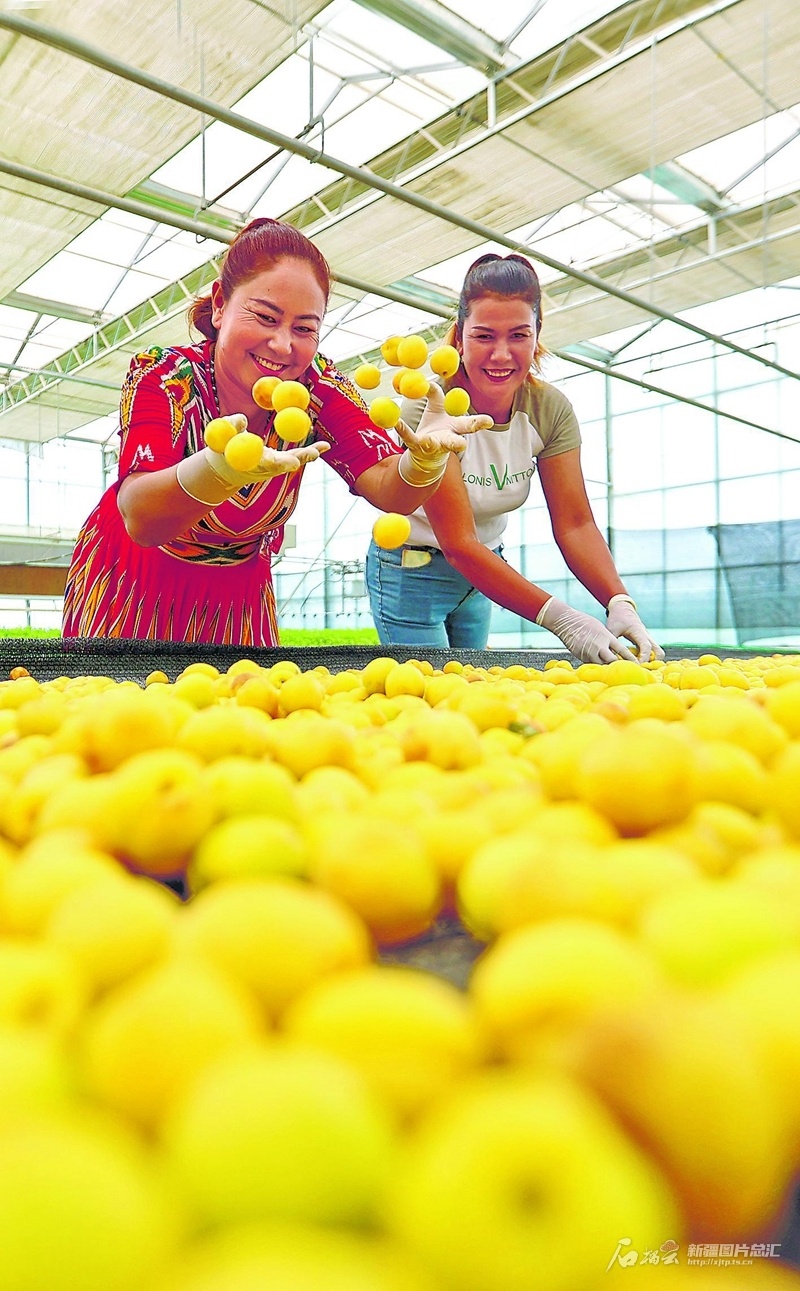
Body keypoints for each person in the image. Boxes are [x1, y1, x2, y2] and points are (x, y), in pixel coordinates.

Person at [62, 219, 491, 647]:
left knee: (242, 707)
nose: (283, 345)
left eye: (305, 328)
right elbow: (142, 518)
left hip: (238, 595)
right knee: (120, 708)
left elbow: (387, 487)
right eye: (265, 316)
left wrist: (423, 463)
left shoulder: (315, 385)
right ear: (219, 304)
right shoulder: (165, 376)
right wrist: (218, 472)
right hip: (133, 583)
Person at [366, 252, 663, 663]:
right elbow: (457, 543)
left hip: (486, 571)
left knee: (472, 683)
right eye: (484, 336)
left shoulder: (548, 410)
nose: (501, 355)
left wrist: (618, 600)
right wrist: (561, 618)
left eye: (519, 335)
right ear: (459, 336)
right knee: (429, 696)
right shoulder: (429, 410)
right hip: (413, 570)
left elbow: (575, 523)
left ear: (537, 333)